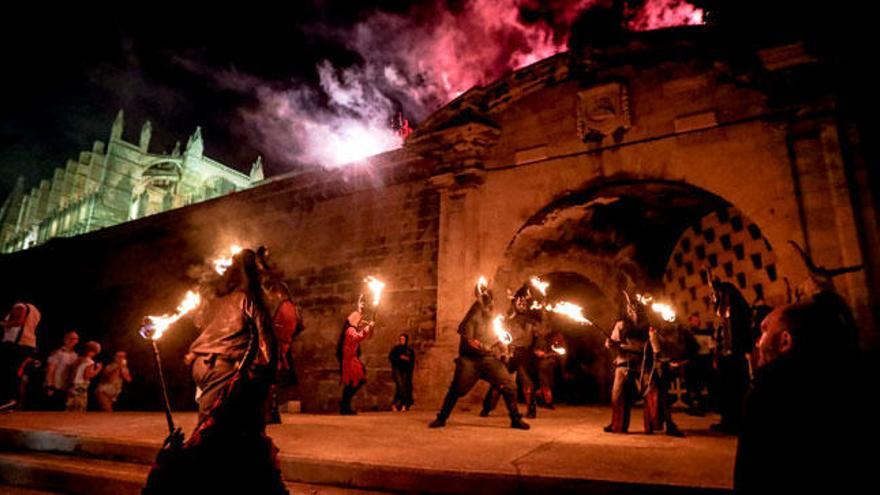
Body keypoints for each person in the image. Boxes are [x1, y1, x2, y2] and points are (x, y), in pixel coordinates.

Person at [142, 248, 288, 495]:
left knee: (214, 428)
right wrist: (268, 375)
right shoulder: (247, 297)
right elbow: (266, 339)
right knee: (234, 435)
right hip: (227, 369)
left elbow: (193, 322)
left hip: (203, 365)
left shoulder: (212, 300)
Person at [733, 302, 858, 493]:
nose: (758, 342)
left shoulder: (767, 394)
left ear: (785, 341)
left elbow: (751, 473)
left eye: (764, 331)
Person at [429, 280, 530, 430]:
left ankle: (515, 419)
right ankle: (442, 418)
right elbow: (470, 341)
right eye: (488, 304)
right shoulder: (472, 318)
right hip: (470, 361)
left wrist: (504, 349)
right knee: (457, 389)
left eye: (492, 304)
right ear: (482, 304)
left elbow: (498, 338)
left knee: (510, 385)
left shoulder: (494, 319)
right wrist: (485, 347)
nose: (491, 307)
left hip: (488, 360)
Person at [479, 287, 539, 418]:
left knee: (526, 381)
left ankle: (532, 410)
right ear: (514, 303)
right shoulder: (507, 320)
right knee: (499, 380)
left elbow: (533, 339)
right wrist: (498, 348)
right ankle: (487, 408)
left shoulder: (531, 321)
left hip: (523, 353)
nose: (522, 305)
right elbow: (500, 336)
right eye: (519, 302)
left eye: (524, 303)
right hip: (509, 353)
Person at [710, 277, 753, 434]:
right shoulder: (722, 312)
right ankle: (727, 420)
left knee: (735, 389)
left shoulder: (737, 311)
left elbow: (741, 333)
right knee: (724, 389)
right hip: (724, 357)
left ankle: (736, 421)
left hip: (735, 356)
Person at [604, 293, 648, 433]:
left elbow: (648, 344)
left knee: (650, 392)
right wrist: (611, 343)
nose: (631, 310)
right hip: (623, 362)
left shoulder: (647, 325)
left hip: (642, 363)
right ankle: (617, 424)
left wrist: (632, 347)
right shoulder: (621, 324)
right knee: (617, 395)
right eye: (629, 308)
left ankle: (653, 424)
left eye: (634, 308)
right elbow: (610, 342)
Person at [266, 280, 304, 423]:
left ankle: (272, 412)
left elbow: (282, 328)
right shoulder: (290, 306)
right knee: (272, 380)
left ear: (279, 293)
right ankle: (273, 412)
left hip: (277, 345)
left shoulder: (285, 307)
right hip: (281, 345)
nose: (270, 297)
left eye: (272, 294)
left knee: (271, 380)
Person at [0, 300, 41, 411]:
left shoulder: (20, 306)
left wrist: (3, 324)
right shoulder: (35, 311)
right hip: (27, 343)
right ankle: (12, 400)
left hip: (18, 344)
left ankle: (10, 399)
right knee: (14, 371)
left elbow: (19, 322)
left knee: (9, 371)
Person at [338, 298, 374, 415]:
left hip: (351, 359)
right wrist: (368, 327)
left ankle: (345, 406)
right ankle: (345, 405)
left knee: (354, 382)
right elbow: (357, 337)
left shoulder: (350, 327)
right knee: (356, 381)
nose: (360, 321)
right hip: (350, 360)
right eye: (358, 320)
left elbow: (357, 318)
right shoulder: (350, 330)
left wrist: (360, 307)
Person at [44, 330, 79, 411]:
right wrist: (50, 386)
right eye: (72, 338)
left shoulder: (75, 355)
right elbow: (50, 369)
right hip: (55, 386)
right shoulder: (58, 353)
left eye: (76, 339)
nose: (74, 341)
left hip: (66, 387)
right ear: (65, 340)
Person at [65, 341, 102, 412]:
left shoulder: (78, 359)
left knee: (70, 407)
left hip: (72, 385)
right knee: (79, 407)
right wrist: (98, 370)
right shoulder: (90, 362)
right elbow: (87, 376)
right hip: (81, 386)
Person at [389, 333, 415, 411]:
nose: (402, 341)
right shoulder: (396, 349)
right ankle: (404, 403)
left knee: (402, 386)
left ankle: (396, 404)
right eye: (401, 339)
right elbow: (391, 358)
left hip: (405, 370)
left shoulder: (409, 350)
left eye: (403, 339)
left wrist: (407, 360)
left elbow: (412, 361)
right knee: (400, 385)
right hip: (397, 369)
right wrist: (399, 358)